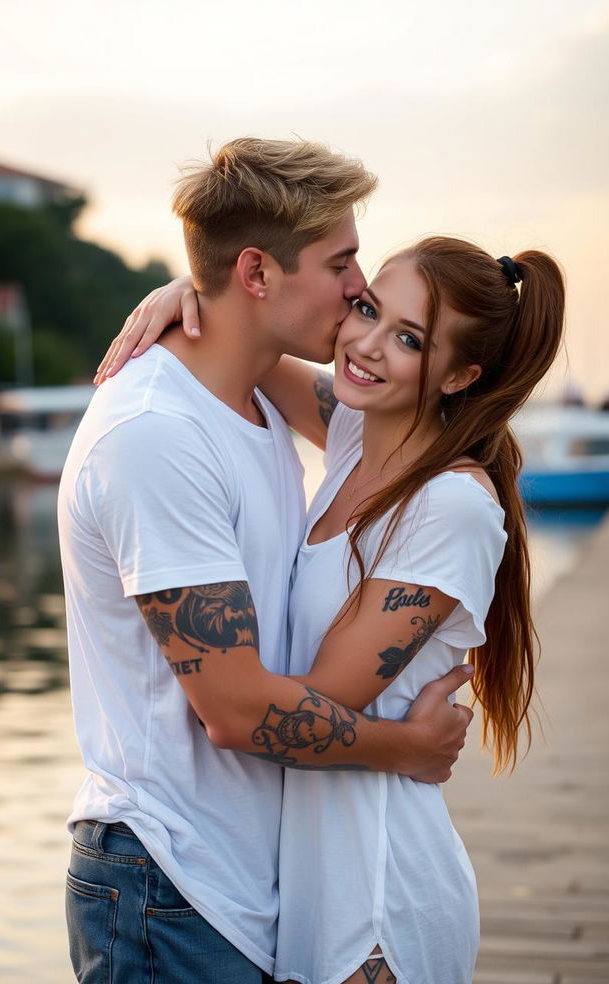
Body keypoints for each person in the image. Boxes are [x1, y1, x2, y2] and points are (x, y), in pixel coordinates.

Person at [58, 138, 474, 984]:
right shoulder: (156, 437)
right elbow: (238, 710)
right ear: (257, 272)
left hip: (245, 882)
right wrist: (406, 745)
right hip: (167, 880)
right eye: (341, 261)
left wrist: (188, 293)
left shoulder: (251, 399)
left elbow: (415, 432)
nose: (359, 286)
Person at [103, 235, 565, 983]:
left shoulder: (448, 506)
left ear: (462, 376)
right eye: (370, 310)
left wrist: (411, 748)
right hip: (307, 896)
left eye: (409, 339)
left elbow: (315, 705)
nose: (368, 346)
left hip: (378, 901)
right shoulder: (355, 435)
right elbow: (240, 340)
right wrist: (180, 291)